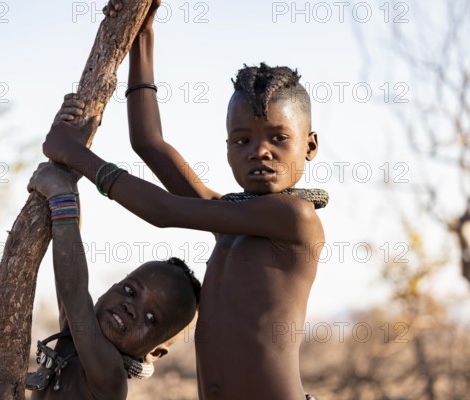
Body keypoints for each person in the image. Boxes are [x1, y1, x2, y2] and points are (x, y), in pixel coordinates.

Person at [47, 1, 327, 398]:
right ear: (228, 147)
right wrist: (141, 35)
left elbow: (163, 211)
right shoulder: (230, 221)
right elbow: (149, 143)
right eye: (242, 140)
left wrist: (75, 154)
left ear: (310, 145)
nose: (260, 152)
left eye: (278, 138)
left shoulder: (295, 218)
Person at [25, 161, 201, 400]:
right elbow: (70, 267)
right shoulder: (73, 336)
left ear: (154, 352)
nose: (131, 308)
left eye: (151, 318)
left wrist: (59, 194)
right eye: (130, 291)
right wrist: (70, 170)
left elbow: (75, 291)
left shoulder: (110, 378)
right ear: (110, 288)